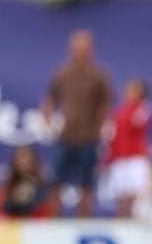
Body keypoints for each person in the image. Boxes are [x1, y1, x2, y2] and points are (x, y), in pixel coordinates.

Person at [40, 29, 113, 217]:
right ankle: (53, 220)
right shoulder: (63, 73)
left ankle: (82, 221)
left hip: (89, 137)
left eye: (85, 50)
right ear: (71, 50)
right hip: (65, 136)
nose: (80, 53)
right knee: (56, 181)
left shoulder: (98, 75)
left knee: (87, 184)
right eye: (77, 49)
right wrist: (48, 118)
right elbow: (50, 98)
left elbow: (106, 104)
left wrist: (99, 129)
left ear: (91, 51)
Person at [106, 77, 152, 217]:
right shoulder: (118, 112)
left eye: (133, 90)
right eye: (128, 89)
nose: (128, 92)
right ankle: (122, 224)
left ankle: (138, 224)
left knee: (138, 196)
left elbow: (136, 124)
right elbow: (112, 135)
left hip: (136, 159)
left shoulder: (144, 108)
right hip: (119, 159)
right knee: (121, 197)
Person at [1, 144, 48, 218]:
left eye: (26, 157)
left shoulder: (43, 185)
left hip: (36, 226)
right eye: (20, 158)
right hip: (13, 226)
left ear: (34, 161)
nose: (23, 162)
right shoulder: (9, 185)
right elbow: (4, 208)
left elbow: (40, 208)